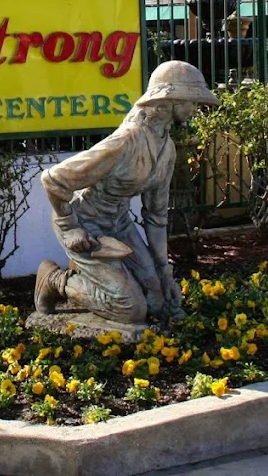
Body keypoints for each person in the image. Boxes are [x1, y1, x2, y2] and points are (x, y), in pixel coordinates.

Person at [33, 60, 218, 326]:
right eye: (192, 101)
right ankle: (53, 280)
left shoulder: (167, 150)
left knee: (159, 301)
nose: (195, 109)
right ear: (171, 99)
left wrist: (164, 273)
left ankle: (94, 277)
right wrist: (69, 225)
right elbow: (54, 179)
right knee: (131, 309)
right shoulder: (126, 141)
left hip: (118, 226)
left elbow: (156, 217)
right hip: (84, 224)